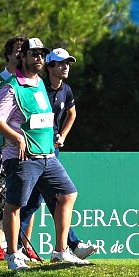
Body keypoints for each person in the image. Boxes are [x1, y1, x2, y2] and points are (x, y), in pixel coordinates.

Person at [0, 36, 90, 271]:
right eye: (34, 54)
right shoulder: (11, 87)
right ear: (21, 57)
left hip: (47, 156)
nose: (39, 59)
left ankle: (61, 251)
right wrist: (16, 137)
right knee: (15, 205)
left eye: (42, 55)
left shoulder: (39, 84)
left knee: (68, 195)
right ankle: (14, 256)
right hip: (22, 158)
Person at [18, 47, 96, 262]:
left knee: (57, 198)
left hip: (53, 151)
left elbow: (72, 113)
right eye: (61, 64)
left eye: (68, 64)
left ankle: (68, 246)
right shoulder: (38, 87)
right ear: (50, 66)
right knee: (33, 201)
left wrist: (62, 134)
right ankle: (67, 245)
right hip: (34, 151)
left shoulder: (66, 89)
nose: (65, 68)